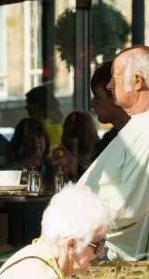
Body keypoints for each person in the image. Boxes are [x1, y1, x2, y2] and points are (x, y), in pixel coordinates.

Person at [78, 46, 149, 261]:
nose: (110, 85)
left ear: (137, 81)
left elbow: (128, 207)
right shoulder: (140, 125)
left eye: (115, 79)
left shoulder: (146, 128)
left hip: (108, 251)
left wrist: (73, 218)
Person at [0, 183, 112, 279]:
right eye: (99, 245)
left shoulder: (37, 254)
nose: (101, 253)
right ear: (71, 245)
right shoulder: (43, 275)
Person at [89, 60, 130, 159]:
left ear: (117, 97)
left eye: (98, 97)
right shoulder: (110, 140)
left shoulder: (139, 143)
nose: (92, 104)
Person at [7, 117, 55, 191]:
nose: (35, 140)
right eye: (29, 137)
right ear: (20, 141)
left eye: (39, 136)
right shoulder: (11, 169)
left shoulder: (52, 168)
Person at [52, 110, 99, 181]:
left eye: (76, 131)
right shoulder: (65, 158)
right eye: (68, 129)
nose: (71, 136)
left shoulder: (98, 157)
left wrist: (75, 168)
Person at [25, 85, 63, 153]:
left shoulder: (40, 128)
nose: (26, 107)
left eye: (29, 103)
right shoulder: (58, 126)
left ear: (39, 104)